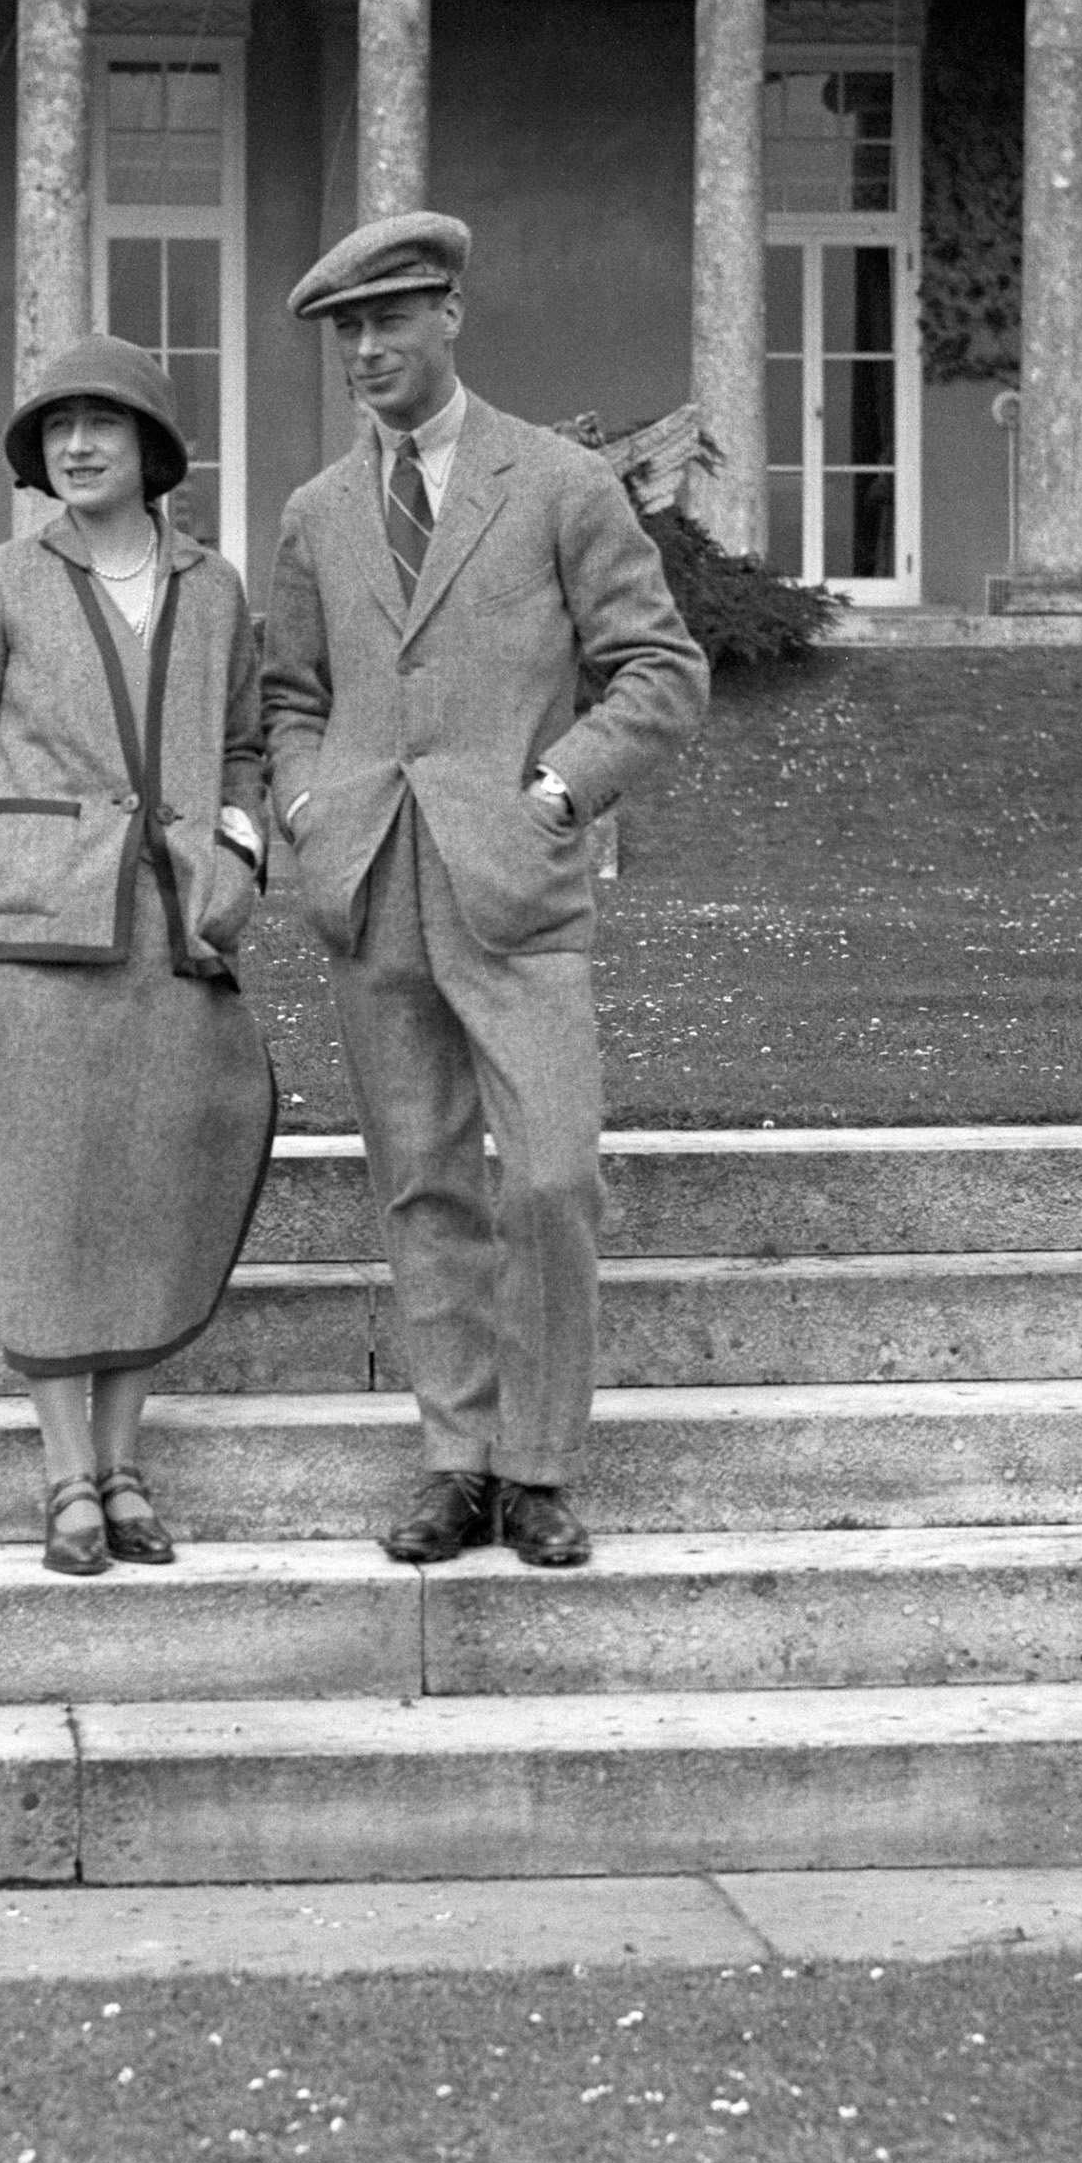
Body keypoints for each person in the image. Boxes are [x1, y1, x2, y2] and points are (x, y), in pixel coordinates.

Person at [261, 211, 708, 1572]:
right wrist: (308, 803)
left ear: (450, 313)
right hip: (373, 882)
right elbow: (291, 695)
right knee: (423, 1185)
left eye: (391, 318)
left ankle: (542, 1465)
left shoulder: (562, 483)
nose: (367, 349)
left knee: (554, 1175)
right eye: (347, 328)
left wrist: (560, 789)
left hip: (517, 883)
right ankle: (457, 1461)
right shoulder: (317, 513)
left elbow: (662, 668)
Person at [0, 334, 278, 1577]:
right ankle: (65, 1483)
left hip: (173, 933)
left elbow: (247, 742)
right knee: (47, 1204)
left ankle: (127, 1461)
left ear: (153, 448)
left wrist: (242, 841)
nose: (78, 445)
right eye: (56, 429)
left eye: (102, 424)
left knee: (154, 1195)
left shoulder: (217, 589)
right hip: (30, 934)